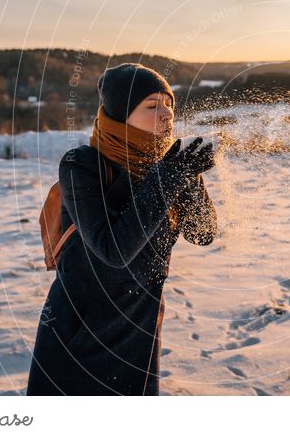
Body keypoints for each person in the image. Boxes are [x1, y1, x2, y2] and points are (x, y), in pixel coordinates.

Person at [26, 63, 217, 395]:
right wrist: (169, 178)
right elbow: (113, 250)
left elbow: (202, 234)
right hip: (80, 334)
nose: (167, 114)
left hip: (138, 335)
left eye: (169, 104)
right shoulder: (81, 165)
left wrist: (189, 180)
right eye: (152, 105)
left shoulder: (165, 167)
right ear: (120, 114)